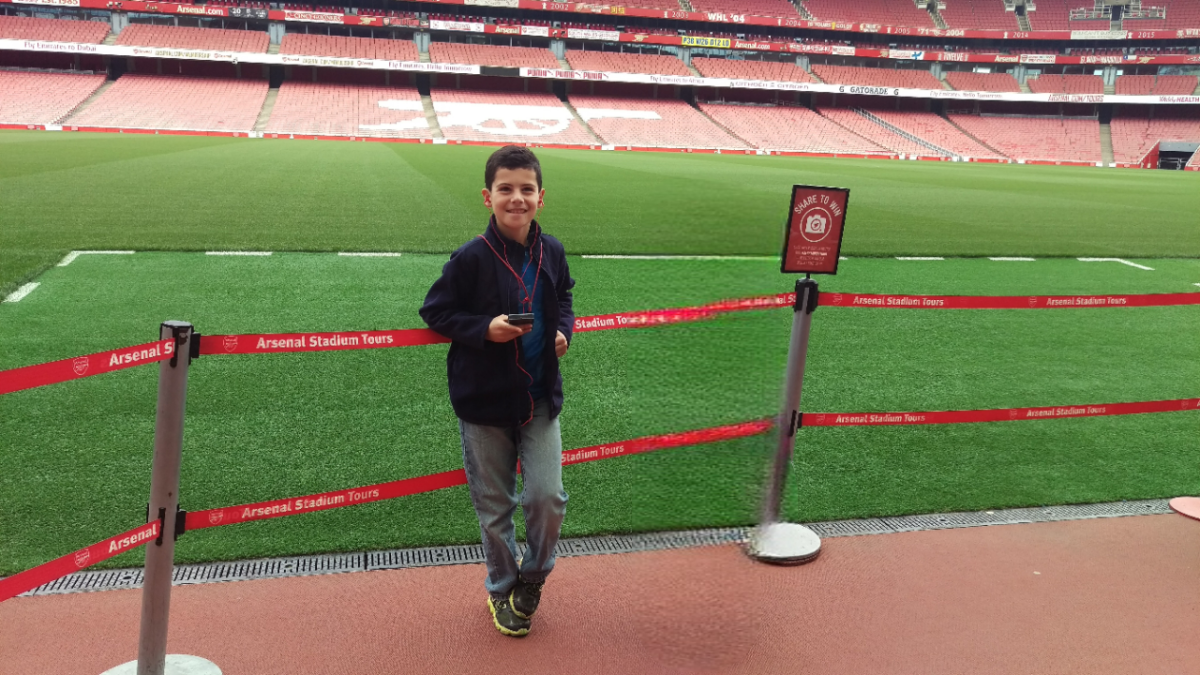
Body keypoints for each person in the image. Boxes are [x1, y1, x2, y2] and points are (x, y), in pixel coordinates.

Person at [419, 145, 575, 637]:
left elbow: (565, 295)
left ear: (541, 197)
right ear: (488, 197)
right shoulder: (470, 256)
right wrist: (484, 328)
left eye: (526, 189)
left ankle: (534, 578)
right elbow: (435, 312)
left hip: (539, 397)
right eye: (505, 189)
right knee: (495, 508)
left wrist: (565, 331)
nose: (516, 199)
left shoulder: (551, 250)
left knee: (547, 497)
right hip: (484, 403)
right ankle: (501, 586)